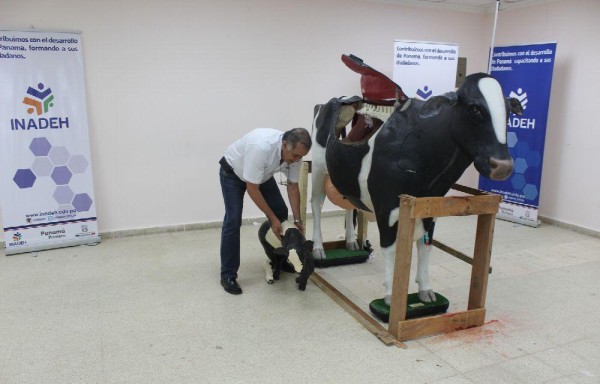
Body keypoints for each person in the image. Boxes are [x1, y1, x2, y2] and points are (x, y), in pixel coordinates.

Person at [218, 127, 312, 295]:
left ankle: (280, 260)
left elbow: (292, 186)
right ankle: (228, 274)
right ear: (284, 145)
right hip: (232, 173)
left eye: (301, 156)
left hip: (261, 176)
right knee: (233, 220)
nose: (297, 159)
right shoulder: (261, 147)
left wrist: (297, 220)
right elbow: (253, 189)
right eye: (295, 155)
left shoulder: (295, 153)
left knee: (282, 214)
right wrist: (272, 219)